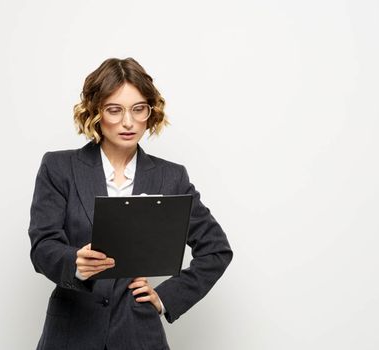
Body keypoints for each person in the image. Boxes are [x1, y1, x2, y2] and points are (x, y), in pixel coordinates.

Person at [28, 57, 233, 350]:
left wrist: (166, 298)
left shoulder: (170, 177)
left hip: (138, 334)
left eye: (139, 109)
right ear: (96, 112)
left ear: (151, 112)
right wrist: (75, 262)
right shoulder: (59, 167)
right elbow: (42, 246)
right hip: (72, 332)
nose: (128, 122)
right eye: (115, 110)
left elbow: (216, 249)